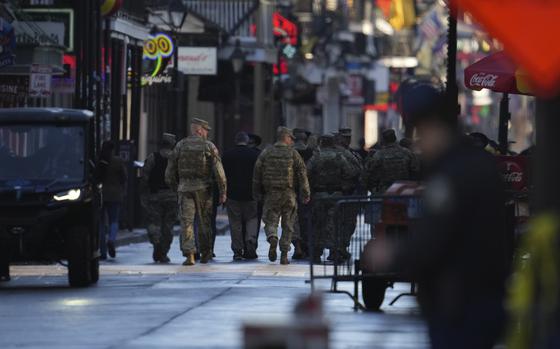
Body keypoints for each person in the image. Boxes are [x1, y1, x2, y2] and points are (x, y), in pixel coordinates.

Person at [364, 81, 508, 349]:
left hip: (462, 303)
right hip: (473, 298)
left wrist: (392, 254)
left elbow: (438, 235)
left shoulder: (454, 172)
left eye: (421, 131)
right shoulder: (473, 164)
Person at [165, 118, 227, 266]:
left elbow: (169, 172)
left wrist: (175, 187)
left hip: (185, 189)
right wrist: (223, 191)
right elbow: (219, 171)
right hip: (204, 190)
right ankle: (205, 252)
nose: (207, 133)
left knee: (187, 222)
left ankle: (189, 254)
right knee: (204, 222)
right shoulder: (208, 146)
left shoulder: (180, 145)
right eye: (206, 130)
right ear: (200, 130)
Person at [253, 127, 310, 265]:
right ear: (286, 137)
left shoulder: (266, 153)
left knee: (270, 221)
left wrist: (256, 193)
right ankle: (284, 254)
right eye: (291, 138)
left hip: (271, 194)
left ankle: (272, 237)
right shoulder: (293, 153)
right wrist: (305, 193)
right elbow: (302, 174)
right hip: (289, 194)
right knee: (288, 224)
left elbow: (257, 174)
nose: (292, 141)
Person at [307, 134, 355, 263]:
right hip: (336, 195)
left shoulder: (316, 157)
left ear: (322, 142)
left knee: (318, 223)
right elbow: (350, 172)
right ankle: (335, 251)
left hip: (319, 194)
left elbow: (307, 173)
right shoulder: (339, 157)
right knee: (336, 223)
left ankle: (317, 253)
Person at [222, 132, 259, 261]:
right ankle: (250, 241)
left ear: (235, 141)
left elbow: (222, 176)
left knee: (235, 222)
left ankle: (237, 250)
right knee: (252, 219)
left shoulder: (227, 155)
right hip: (251, 194)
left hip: (233, 194)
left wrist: (223, 194)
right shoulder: (255, 155)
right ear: (247, 141)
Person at [141, 133, 177, 263]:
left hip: (155, 196)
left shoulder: (152, 157)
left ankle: (156, 242)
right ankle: (163, 252)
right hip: (172, 196)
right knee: (168, 226)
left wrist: (145, 192)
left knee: (154, 223)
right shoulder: (176, 159)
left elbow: (145, 176)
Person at [363, 129, 420, 195]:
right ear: (395, 138)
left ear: (383, 140)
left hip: (385, 192)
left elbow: (369, 173)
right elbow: (416, 170)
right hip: (404, 191)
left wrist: (373, 188)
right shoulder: (407, 153)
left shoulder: (378, 155)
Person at [96, 140, 127, 260]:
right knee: (114, 220)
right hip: (115, 194)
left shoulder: (100, 161)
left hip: (101, 194)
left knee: (101, 223)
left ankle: (102, 251)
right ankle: (112, 240)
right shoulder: (118, 161)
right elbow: (124, 177)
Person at [292, 128, 314, 260]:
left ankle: (297, 246)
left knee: (293, 219)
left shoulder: (289, 152)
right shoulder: (312, 152)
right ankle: (307, 246)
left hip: (291, 190)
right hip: (307, 190)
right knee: (307, 218)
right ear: (305, 139)